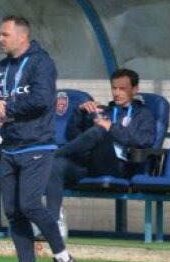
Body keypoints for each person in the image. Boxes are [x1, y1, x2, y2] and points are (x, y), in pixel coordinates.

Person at [0, 15, 77, 262]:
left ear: (22, 36)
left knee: (30, 205)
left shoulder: (41, 63)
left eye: (5, 34)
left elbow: (42, 99)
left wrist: (7, 107)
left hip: (37, 143)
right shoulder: (2, 66)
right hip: (9, 146)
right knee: (13, 211)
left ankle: (63, 258)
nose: (0, 39)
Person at [48, 68, 157, 221]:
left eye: (122, 89)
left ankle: (50, 157)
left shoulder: (143, 114)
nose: (117, 93)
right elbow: (74, 138)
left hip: (116, 167)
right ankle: (52, 221)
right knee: (57, 165)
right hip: (88, 165)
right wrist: (79, 112)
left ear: (134, 90)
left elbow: (144, 140)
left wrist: (110, 127)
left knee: (99, 131)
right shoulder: (103, 111)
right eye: (114, 88)